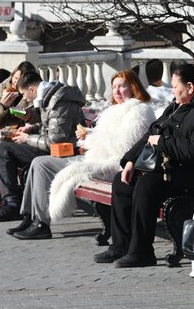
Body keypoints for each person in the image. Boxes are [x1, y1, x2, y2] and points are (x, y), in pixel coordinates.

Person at [95, 64, 194, 268]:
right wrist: (130, 160)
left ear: (190, 87)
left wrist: (163, 143)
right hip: (164, 168)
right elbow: (151, 133)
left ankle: (142, 252)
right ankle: (121, 246)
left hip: (190, 174)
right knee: (122, 182)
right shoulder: (176, 106)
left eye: (175, 86)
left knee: (147, 186)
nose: (171, 90)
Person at [9, 71, 155, 240]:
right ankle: (29, 216)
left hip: (113, 163)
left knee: (41, 164)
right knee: (39, 162)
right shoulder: (112, 110)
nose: (117, 91)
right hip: (93, 157)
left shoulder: (140, 111)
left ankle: (41, 223)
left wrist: (92, 137)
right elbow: (104, 136)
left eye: (122, 86)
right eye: (114, 87)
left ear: (133, 87)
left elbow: (125, 146)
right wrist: (88, 136)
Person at [0, 72, 86, 222]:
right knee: (5, 148)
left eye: (24, 94)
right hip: (56, 148)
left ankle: (12, 204)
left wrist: (28, 138)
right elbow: (51, 126)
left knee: (5, 150)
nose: (24, 98)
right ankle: (13, 203)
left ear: (32, 89)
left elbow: (55, 141)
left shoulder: (58, 102)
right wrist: (31, 129)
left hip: (64, 152)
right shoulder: (51, 97)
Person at [0, 61, 37, 189]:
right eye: (15, 78)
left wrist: (27, 116)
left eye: (20, 80)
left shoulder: (33, 91)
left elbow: (40, 118)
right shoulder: (0, 89)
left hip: (20, 138)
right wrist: (2, 106)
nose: (16, 83)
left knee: (3, 156)